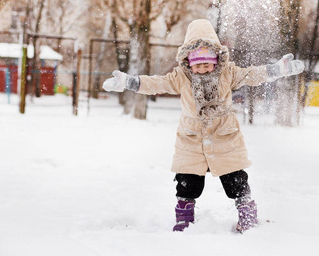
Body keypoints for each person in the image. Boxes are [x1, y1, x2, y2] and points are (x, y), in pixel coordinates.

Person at [103, 19, 304, 233]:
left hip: (224, 135)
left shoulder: (228, 73)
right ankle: (184, 216)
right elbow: (157, 83)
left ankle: (247, 213)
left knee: (235, 179)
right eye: (197, 65)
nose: (202, 69)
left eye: (207, 64)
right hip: (191, 138)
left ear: (216, 60)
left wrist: (277, 69)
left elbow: (252, 74)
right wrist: (130, 82)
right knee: (187, 181)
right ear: (188, 62)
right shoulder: (181, 77)